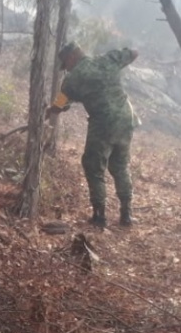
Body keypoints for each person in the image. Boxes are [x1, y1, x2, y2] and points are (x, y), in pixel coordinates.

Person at [46, 41, 140, 227]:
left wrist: (49, 111)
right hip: (126, 119)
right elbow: (134, 52)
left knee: (93, 166)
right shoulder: (107, 59)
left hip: (103, 124)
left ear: (73, 57)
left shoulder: (72, 81)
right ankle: (126, 214)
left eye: (67, 64)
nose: (67, 69)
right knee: (120, 165)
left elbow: (59, 106)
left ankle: (99, 216)